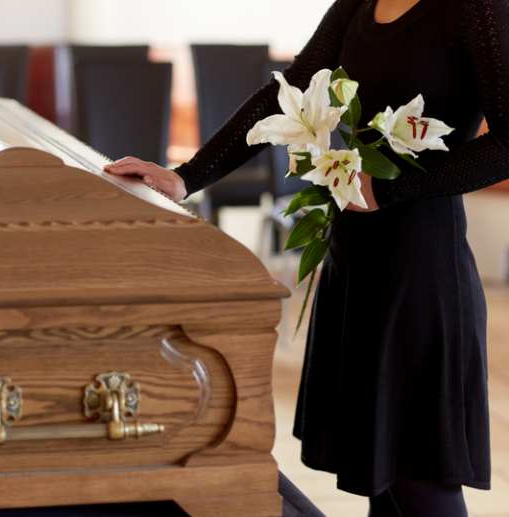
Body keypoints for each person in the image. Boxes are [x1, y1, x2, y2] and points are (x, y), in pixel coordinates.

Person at [104, 0, 509, 515]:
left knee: (420, 479)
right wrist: (187, 176)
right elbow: (288, 92)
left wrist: (392, 188)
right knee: (381, 477)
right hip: (356, 259)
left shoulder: (475, 8)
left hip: (422, 270)